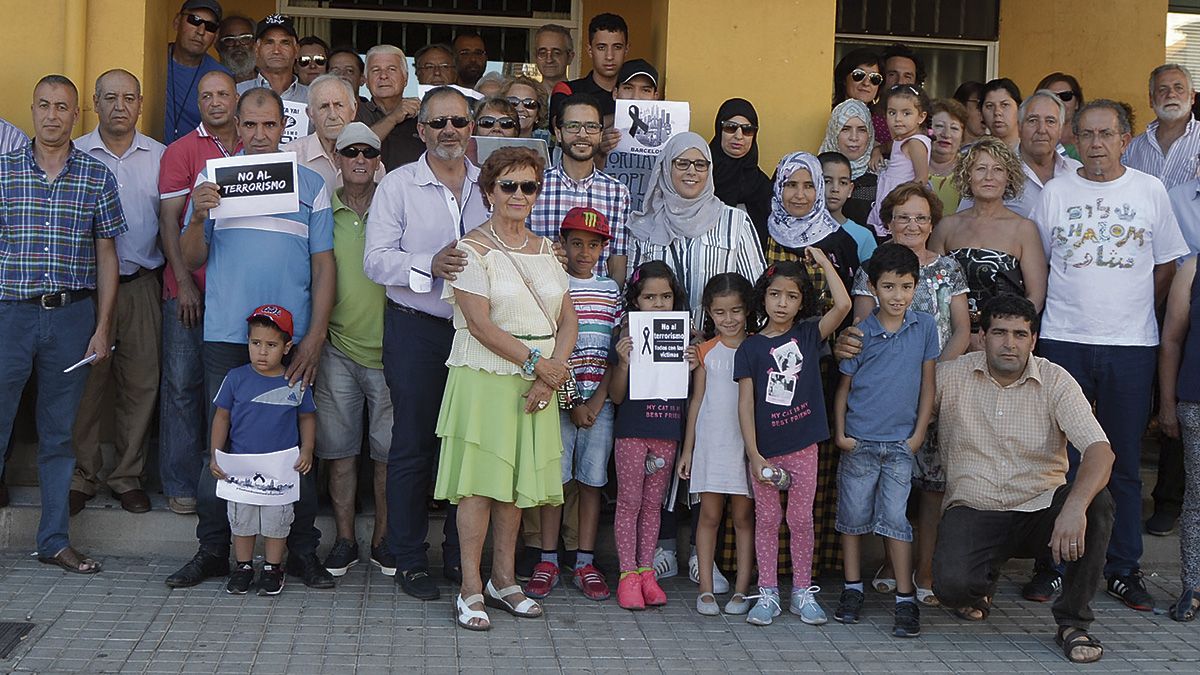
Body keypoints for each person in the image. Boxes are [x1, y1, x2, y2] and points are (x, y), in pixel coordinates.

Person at [168, 86, 335, 591]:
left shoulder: (310, 185)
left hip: (291, 342)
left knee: (296, 448)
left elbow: (324, 266)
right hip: (227, 336)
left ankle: (301, 552)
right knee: (222, 448)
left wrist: (314, 337)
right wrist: (198, 215)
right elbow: (192, 258)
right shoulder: (212, 182)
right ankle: (214, 550)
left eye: (270, 125)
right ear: (235, 128)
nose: (260, 135)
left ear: (285, 127)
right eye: (250, 125)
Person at [1030, 99, 1190, 613]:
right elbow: (1040, 264)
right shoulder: (1056, 192)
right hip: (1062, 341)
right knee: (1058, 460)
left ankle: (1122, 569)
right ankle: (1053, 566)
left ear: (1125, 139)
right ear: (1074, 140)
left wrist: (1134, 308)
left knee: (1118, 460)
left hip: (1130, 346)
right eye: (1087, 134)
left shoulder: (1150, 190)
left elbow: (1165, 265)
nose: (1096, 144)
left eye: (1107, 134)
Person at [434, 146, 575, 630]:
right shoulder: (470, 249)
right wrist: (540, 365)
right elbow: (478, 324)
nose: (519, 195)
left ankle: (503, 580)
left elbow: (567, 314)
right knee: (478, 486)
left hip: (537, 378)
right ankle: (470, 587)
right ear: (489, 191)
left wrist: (551, 368)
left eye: (528, 186)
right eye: (508, 185)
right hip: (486, 378)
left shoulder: (546, 248)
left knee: (515, 487)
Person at [931, 294, 1115, 665]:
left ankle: (1072, 622)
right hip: (975, 506)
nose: (1009, 343)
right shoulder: (949, 376)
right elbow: (896, 404)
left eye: (1019, 334)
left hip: (1041, 508)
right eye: (999, 332)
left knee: (1097, 505)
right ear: (982, 336)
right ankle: (982, 584)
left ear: (1034, 339)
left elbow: (1100, 450)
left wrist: (1075, 506)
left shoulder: (1055, 380)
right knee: (951, 588)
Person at [363, 86, 487, 601]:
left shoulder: (490, 185)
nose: (449, 131)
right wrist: (427, 265)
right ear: (421, 131)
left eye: (458, 121)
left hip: (477, 331)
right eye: (438, 123)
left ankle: (462, 560)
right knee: (413, 444)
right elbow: (374, 261)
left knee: (467, 447)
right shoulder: (397, 185)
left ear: (471, 126)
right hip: (416, 326)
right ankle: (410, 558)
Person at [0, 74, 124, 574]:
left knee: (58, 437)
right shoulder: (4, 171)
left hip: (72, 317)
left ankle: (53, 540)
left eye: (63, 107)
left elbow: (108, 255)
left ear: (78, 116)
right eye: (45, 105)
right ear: (32, 109)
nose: (53, 115)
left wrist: (103, 326)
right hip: (10, 314)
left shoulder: (96, 176)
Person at [847, 182, 970, 605]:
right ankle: (888, 561)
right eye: (902, 216)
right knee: (887, 482)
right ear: (888, 222)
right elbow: (866, 332)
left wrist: (932, 383)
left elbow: (963, 329)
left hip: (935, 390)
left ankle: (926, 569)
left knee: (932, 486)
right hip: (887, 394)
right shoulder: (870, 268)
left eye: (920, 217)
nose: (912, 224)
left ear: (932, 222)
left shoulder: (948, 269)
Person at [736, 254, 852, 626]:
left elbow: (845, 304)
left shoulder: (807, 335)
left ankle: (802, 592)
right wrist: (754, 455)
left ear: (803, 302)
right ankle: (767, 592)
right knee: (767, 519)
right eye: (775, 294)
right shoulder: (750, 348)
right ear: (763, 298)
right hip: (765, 452)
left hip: (804, 446)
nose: (782, 303)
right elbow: (745, 405)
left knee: (800, 520)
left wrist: (821, 261)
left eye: (791, 296)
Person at [70, 69, 166, 516]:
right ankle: (82, 475)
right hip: (87, 291)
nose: (119, 106)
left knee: (140, 384)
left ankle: (127, 476)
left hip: (143, 286)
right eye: (110, 97)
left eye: (129, 98)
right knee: (87, 386)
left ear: (141, 104)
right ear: (95, 102)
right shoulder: (75, 155)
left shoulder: (161, 157)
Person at [832, 243, 938, 637]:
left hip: (899, 445)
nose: (898, 296)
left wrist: (919, 433)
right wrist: (841, 433)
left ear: (916, 287)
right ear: (874, 288)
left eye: (906, 287)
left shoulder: (924, 326)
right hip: (859, 442)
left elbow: (928, 383)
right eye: (889, 287)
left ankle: (905, 598)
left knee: (896, 520)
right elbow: (844, 387)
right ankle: (852, 588)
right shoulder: (861, 332)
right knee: (853, 517)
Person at [522, 207, 621, 604]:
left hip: (599, 404)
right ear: (562, 244)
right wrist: (572, 399)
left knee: (591, 481)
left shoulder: (612, 291)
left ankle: (584, 560)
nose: (584, 251)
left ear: (603, 248)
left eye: (593, 245)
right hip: (558, 399)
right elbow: (552, 348)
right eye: (576, 243)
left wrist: (596, 401)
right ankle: (548, 559)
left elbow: (616, 354)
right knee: (555, 482)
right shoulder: (553, 286)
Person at [156, 71, 241, 516]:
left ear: (236, 98)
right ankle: (180, 481)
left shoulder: (256, 147)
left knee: (223, 391)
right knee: (182, 387)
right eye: (206, 95)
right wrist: (184, 282)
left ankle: (223, 480)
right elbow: (169, 221)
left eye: (222, 94)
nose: (214, 102)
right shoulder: (181, 150)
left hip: (236, 295)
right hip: (187, 292)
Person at [313, 123, 395, 578]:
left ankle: (383, 542)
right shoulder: (324, 208)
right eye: (350, 152)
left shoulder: (394, 204)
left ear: (378, 158)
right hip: (337, 347)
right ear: (338, 158)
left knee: (386, 453)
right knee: (340, 452)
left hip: (390, 351)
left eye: (368, 151)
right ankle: (345, 540)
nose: (359, 159)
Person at [210, 304, 316, 597]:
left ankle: (272, 567)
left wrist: (307, 449)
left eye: (271, 345)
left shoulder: (294, 381)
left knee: (276, 521)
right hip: (240, 467)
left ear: (287, 346)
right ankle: (243, 566)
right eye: (255, 343)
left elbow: (307, 417)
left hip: (281, 470)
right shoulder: (235, 378)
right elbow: (222, 417)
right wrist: (216, 454)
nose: (262, 351)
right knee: (241, 520)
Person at [609, 261, 689, 611]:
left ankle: (646, 573)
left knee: (654, 505)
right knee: (629, 502)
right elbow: (614, 395)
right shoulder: (625, 336)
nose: (658, 304)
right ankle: (627, 574)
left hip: (667, 429)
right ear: (636, 301)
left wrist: (693, 361)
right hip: (632, 430)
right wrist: (623, 363)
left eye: (666, 297)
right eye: (650, 297)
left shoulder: (685, 335)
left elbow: (691, 392)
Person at [626, 132, 767, 330]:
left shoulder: (735, 222)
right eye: (682, 163)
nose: (692, 171)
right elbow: (631, 293)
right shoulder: (645, 225)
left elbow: (758, 292)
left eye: (700, 165)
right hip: (660, 351)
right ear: (666, 167)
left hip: (719, 348)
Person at [677, 273, 757, 617]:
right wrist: (688, 449)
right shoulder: (705, 351)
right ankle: (706, 589)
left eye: (736, 310)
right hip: (712, 442)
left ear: (747, 310)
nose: (728, 319)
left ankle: (741, 590)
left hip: (746, 444)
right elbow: (697, 400)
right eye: (720, 312)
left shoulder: (757, 347)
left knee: (743, 516)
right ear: (709, 312)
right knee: (708, 515)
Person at [931, 136, 1048, 347]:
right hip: (948, 340)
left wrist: (1004, 334)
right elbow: (931, 290)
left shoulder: (1024, 229)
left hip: (1003, 343)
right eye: (980, 169)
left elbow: (1036, 295)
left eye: (998, 170)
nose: (989, 177)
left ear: (1008, 177)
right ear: (967, 176)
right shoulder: (946, 227)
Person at [529, 94, 630, 283]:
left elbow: (617, 259)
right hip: (540, 302)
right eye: (573, 126)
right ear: (558, 133)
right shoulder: (534, 186)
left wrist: (612, 304)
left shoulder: (617, 192)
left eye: (591, 127)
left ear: (601, 134)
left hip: (596, 305)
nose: (582, 134)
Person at [1156, 256, 1200, 621]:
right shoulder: (1193, 269)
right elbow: (1171, 340)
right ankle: (1193, 586)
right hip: (1197, 401)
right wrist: (1167, 404)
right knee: (1197, 499)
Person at [966, 89, 1082, 219]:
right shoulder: (993, 170)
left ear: (1060, 129)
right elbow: (966, 222)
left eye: (1050, 121)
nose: (1041, 129)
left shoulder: (1076, 171)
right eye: (1032, 121)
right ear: (1019, 127)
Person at [764, 152, 860, 293]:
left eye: (809, 186)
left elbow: (850, 296)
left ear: (819, 189)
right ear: (779, 188)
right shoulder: (762, 231)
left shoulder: (840, 242)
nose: (800, 195)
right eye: (791, 184)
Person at [284, 74, 384, 193]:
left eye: (339, 105)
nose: (332, 115)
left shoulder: (371, 162)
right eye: (324, 106)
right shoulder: (289, 158)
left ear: (354, 110)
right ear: (310, 114)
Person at [867, 85, 931, 238]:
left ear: (921, 117)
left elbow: (921, 179)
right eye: (892, 113)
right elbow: (888, 146)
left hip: (902, 202)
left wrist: (901, 202)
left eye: (906, 113)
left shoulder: (915, 143)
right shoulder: (901, 139)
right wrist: (877, 151)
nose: (898, 119)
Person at [1124, 64, 1200, 191]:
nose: (1171, 94)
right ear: (1151, 100)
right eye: (1162, 89)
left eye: (1179, 88)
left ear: (1192, 97)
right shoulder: (1132, 148)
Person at [710, 98, 772, 247]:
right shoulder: (700, 176)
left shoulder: (762, 185)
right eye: (731, 127)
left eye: (747, 130)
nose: (739, 136)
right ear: (719, 130)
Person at [165, 0, 229, 144]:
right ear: (177, 21)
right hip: (150, 157)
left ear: (216, 36)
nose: (200, 31)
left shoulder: (220, 77)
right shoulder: (153, 62)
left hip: (196, 163)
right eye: (194, 20)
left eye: (210, 26)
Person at [357, 45, 424, 172]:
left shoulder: (422, 115)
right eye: (376, 70)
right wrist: (393, 118)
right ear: (366, 80)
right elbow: (356, 148)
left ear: (405, 78)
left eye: (391, 69)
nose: (383, 76)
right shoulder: (354, 112)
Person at [550, 13, 628, 121]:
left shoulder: (635, 94)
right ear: (590, 51)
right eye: (601, 47)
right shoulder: (568, 90)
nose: (609, 56)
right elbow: (560, 127)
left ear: (626, 50)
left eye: (617, 47)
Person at [820, 99, 876, 227]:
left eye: (862, 130)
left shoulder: (882, 175)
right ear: (834, 131)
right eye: (845, 129)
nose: (854, 137)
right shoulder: (814, 171)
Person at [819, 151, 877, 263]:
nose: (835, 189)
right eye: (827, 181)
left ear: (850, 190)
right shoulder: (798, 231)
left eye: (843, 183)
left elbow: (869, 278)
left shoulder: (863, 236)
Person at [236, 14, 308, 104]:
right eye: (269, 43)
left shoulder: (312, 96)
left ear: (296, 50)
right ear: (256, 49)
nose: (276, 51)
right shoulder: (238, 93)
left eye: (285, 43)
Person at [871, 43, 926, 158]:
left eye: (908, 76)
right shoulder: (866, 116)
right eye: (892, 74)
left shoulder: (924, 119)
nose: (900, 81)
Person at [928, 99, 968, 213]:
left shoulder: (970, 170)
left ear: (963, 136)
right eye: (939, 126)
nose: (946, 134)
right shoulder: (910, 165)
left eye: (954, 128)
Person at [1036, 72, 1084, 160]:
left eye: (1066, 96)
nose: (1059, 102)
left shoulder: (1090, 139)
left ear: (1077, 103)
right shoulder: (1031, 139)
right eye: (1051, 97)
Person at [980, 78, 1021, 150]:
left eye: (1005, 105)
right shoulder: (973, 155)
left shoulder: (1033, 154)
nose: (997, 112)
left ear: (1019, 108)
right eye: (990, 106)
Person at [534, 24, 574, 96]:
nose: (549, 60)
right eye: (542, 53)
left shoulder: (580, 97)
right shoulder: (527, 98)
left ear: (570, 57)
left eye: (556, 53)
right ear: (535, 56)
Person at [216, 15, 256, 83]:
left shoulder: (269, 79)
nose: (237, 44)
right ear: (218, 46)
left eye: (245, 38)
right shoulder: (211, 80)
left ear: (256, 43)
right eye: (229, 40)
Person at [952, 81, 986, 146]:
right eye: (980, 104)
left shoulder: (992, 147)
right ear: (961, 106)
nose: (984, 111)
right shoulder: (946, 143)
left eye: (988, 106)